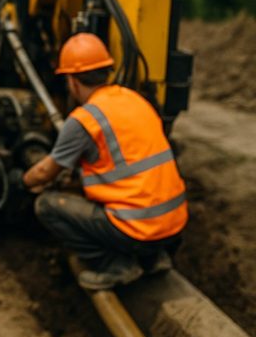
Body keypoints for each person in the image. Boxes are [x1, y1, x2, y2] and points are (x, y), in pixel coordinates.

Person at [21, 33, 187, 290]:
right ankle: (154, 258)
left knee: (47, 206)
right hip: (174, 226)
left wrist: (24, 181)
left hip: (136, 231)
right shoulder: (136, 100)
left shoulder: (84, 120)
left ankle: (115, 265)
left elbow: (44, 173)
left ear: (73, 82)